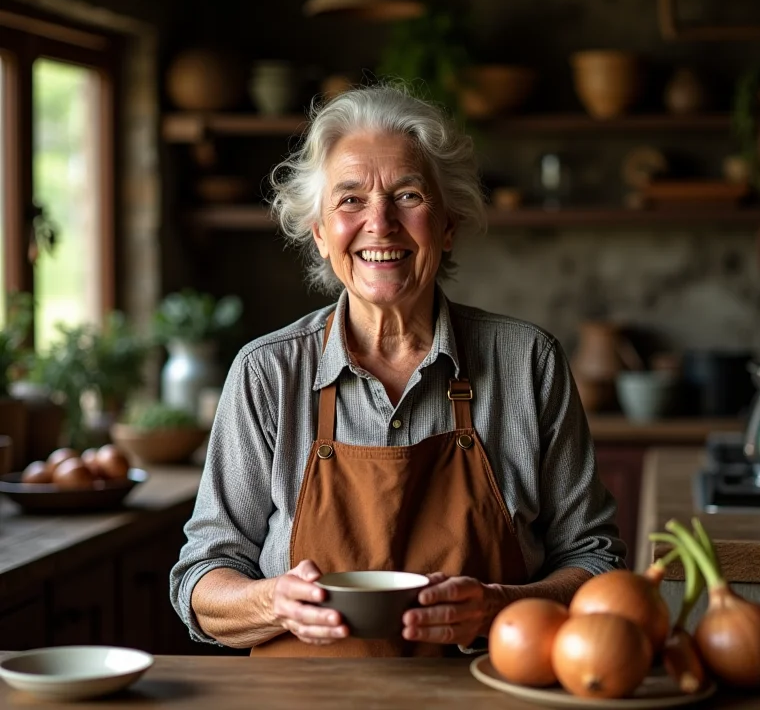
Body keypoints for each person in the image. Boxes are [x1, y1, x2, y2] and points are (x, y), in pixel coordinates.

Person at [170, 83, 626, 658]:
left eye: (408, 196)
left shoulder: (527, 362)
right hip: (301, 699)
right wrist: (272, 602)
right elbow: (202, 577)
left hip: (483, 695)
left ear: (448, 224)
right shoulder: (268, 374)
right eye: (350, 200)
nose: (380, 223)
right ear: (319, 233)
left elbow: (596, 561)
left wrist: (496, 606)